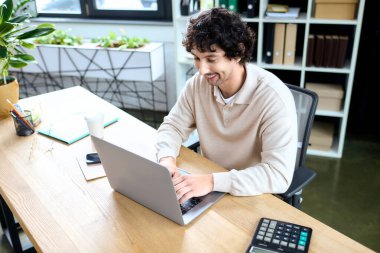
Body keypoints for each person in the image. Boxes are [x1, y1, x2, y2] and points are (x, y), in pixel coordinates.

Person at [156, 7, 297, 204]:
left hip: (251, 192)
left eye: (211, 59)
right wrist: (166, 159)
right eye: (197, 58)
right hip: (207, 184)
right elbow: (172, 126)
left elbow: (278, 175)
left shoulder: (273, 98)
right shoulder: (197, 85)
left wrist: (214, 181)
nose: (202, 70)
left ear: (237, 52)